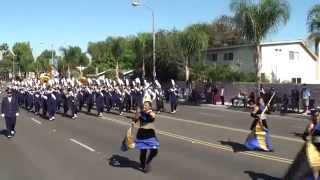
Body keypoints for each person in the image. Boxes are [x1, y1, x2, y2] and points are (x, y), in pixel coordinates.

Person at [284, 110, 320, 179]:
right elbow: (304, 137)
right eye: (315, 116)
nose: (317, 117)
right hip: (311, 150)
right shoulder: (311, 125)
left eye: (318, 116)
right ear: (313, 117)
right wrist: (309, 133)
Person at [133, 101, 160, 173]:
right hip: (141, 134)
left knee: (154, 151)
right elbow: (135, 120)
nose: (144, 106)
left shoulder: (151, 113)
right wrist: (137, 112)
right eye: (144, 105)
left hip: (150, 134)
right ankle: (143, 164)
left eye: (146, 105)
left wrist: (150, 113)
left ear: (150, 107)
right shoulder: (140, 113)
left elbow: (153, 116)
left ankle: (148, 162)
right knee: (143, 151)